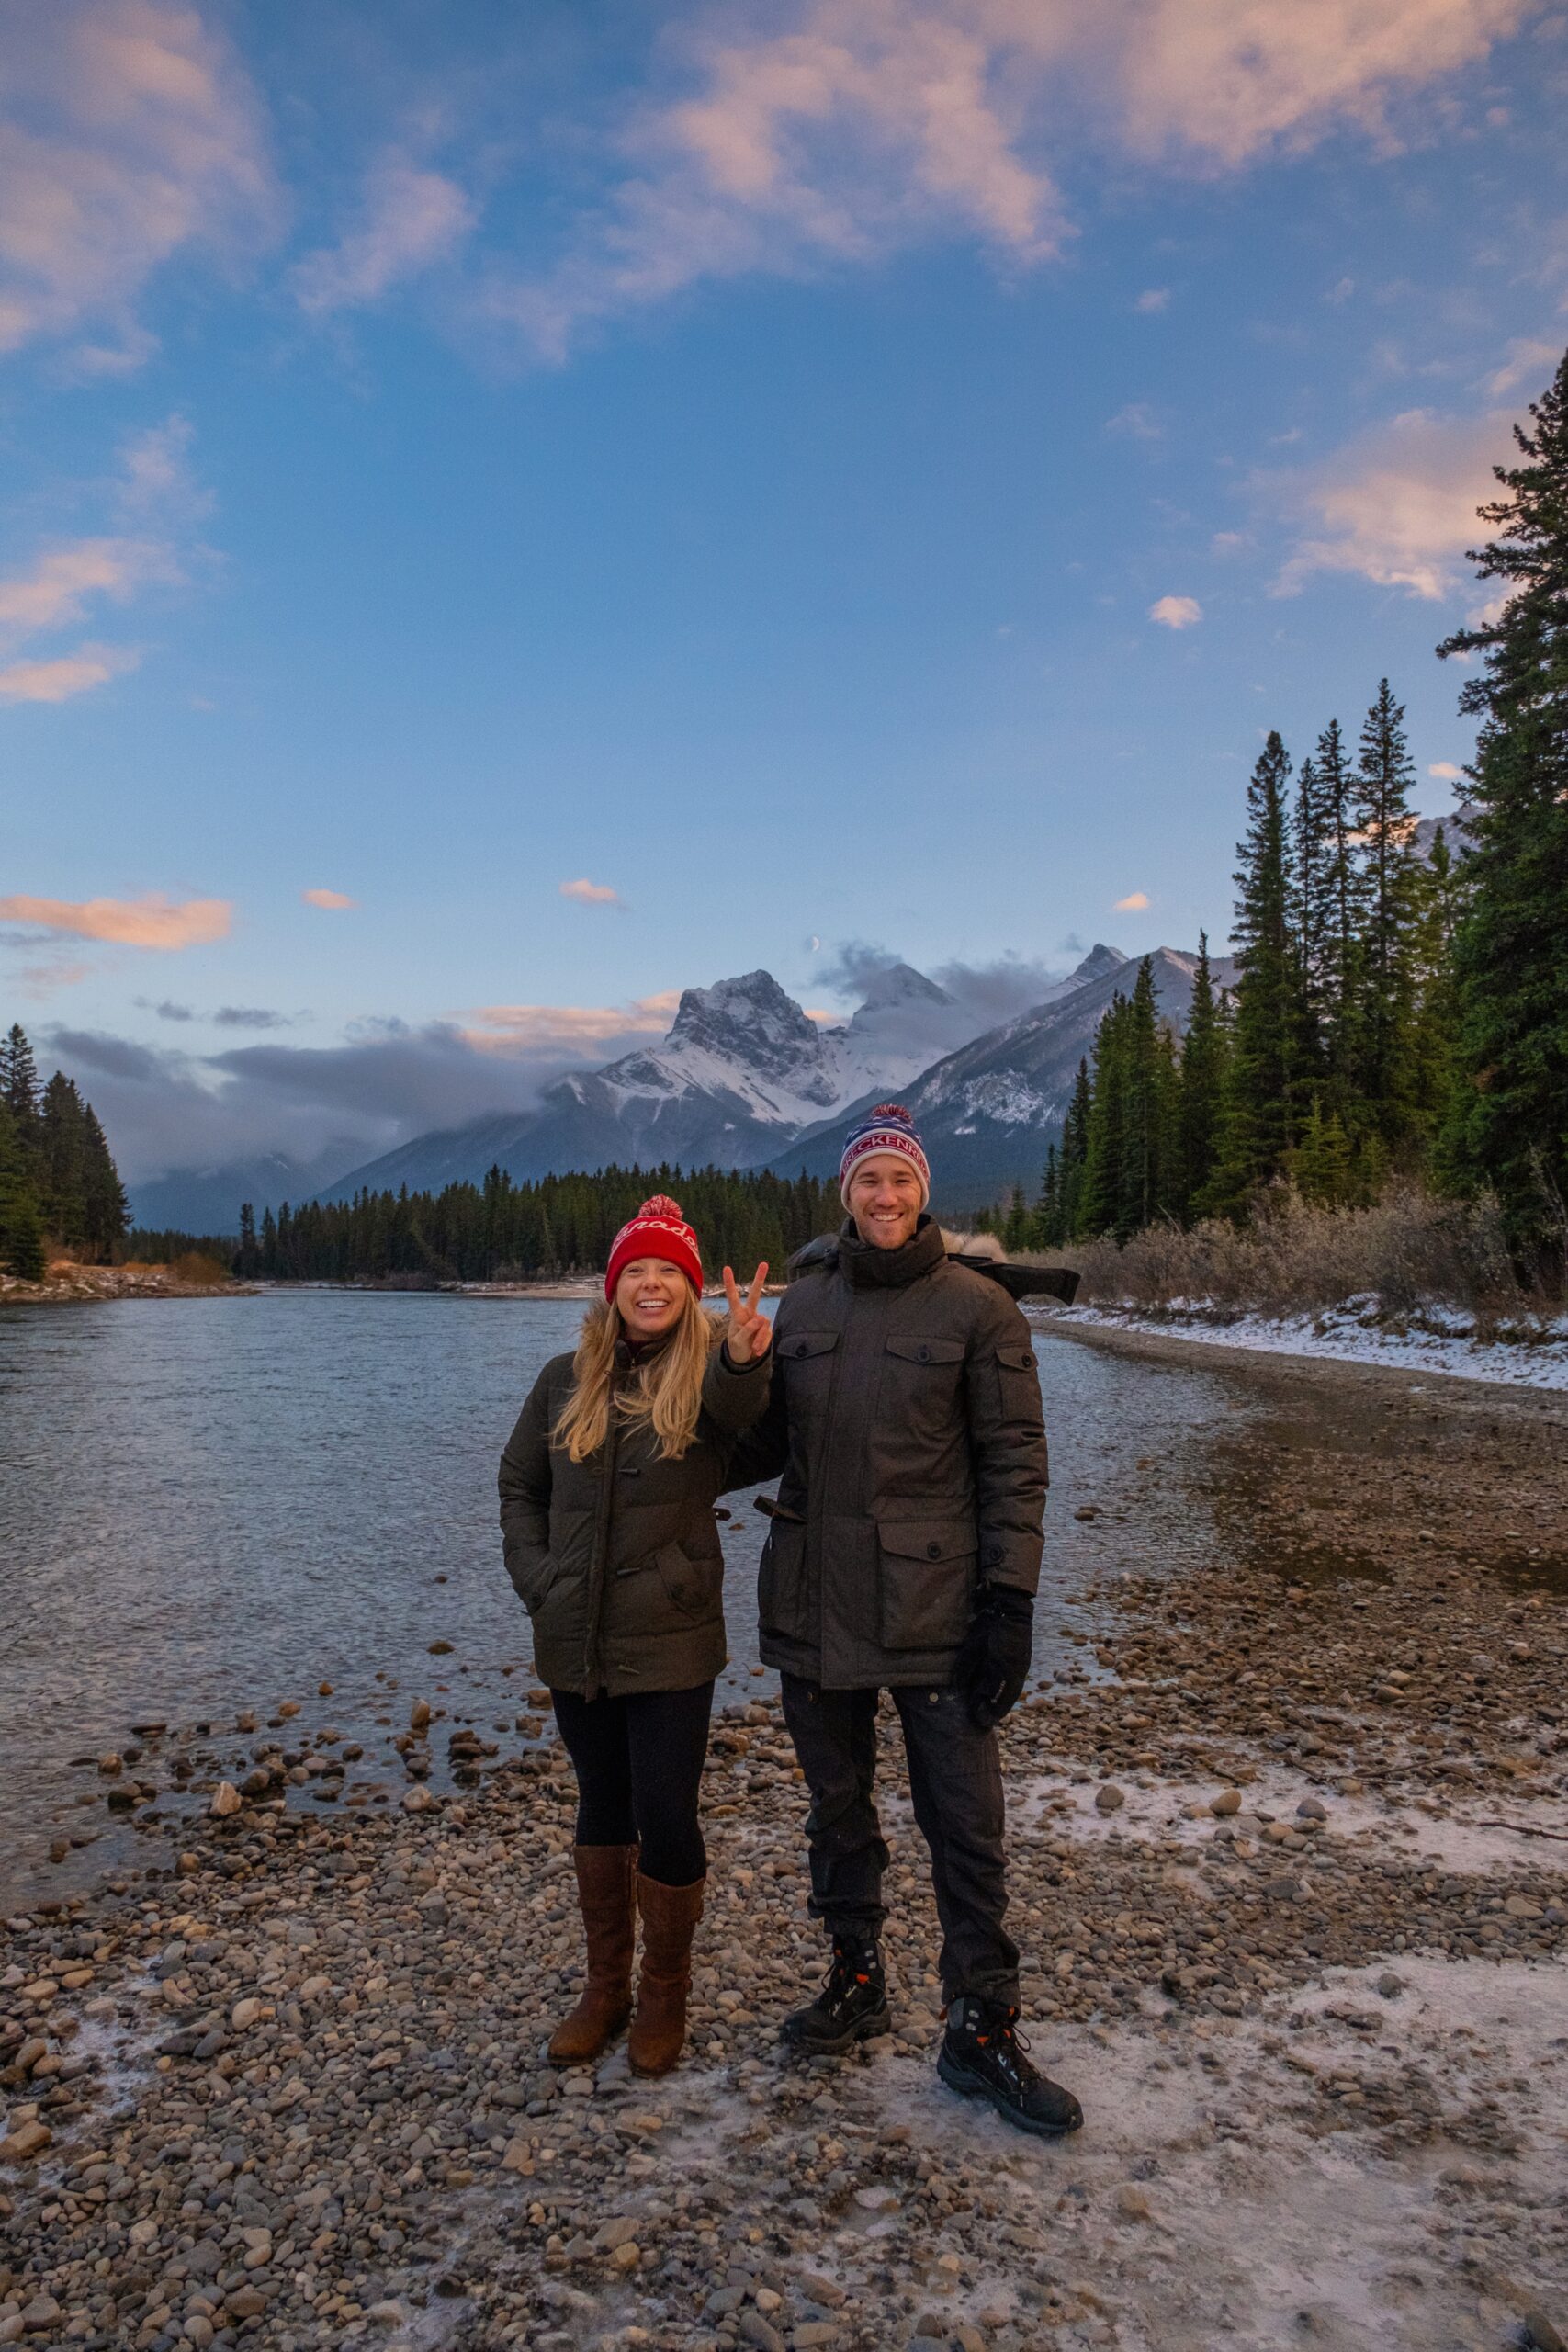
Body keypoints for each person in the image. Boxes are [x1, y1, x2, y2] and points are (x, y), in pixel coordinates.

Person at [726, 1106, 1082, 2136]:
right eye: (866, 1181)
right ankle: (858, 1974)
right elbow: (757, 1450)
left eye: (900, 1180)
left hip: (936, 1609)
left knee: (966, 1827)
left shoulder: (980, 1310)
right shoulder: (802, 1304)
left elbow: (1018, 1467)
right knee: (838, 1813)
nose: (884, 1197)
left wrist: (1009, 1603)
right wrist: (736, 1369)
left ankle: (981, 2023)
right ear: (845, 1194)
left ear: (924, 1190)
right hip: (813, 1603)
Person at [498, 1194, 773, 2077]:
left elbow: (750, 1427)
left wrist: (738, 1359)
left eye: (668, 1274)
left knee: (666, 1814)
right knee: (600, 1806)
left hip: (671, 1638)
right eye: (636, 1272)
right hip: (573, 1634)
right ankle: (604, 1987)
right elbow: (517, 1487)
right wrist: (540, 1584)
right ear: (613, 1287)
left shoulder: (704, 1382)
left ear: (689, 1292)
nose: (651, 1285)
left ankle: (665, 1992)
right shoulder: (561, 1378)